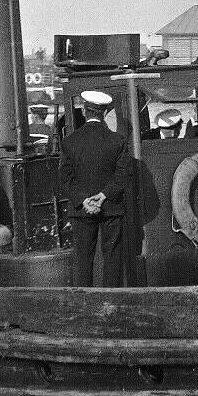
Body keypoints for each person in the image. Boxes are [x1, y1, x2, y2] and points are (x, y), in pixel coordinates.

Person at [59, 90, 134, 287]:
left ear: (85, 111)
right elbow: (123, 175)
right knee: (112, 257)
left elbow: (64, 179)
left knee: (83, 259)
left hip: (81, 210)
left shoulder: (69, 141)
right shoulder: (117, 141)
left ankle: (85, 303)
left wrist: (83, 200)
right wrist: (103, 196)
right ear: (104, 112)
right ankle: (112, 301)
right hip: (111, 207)